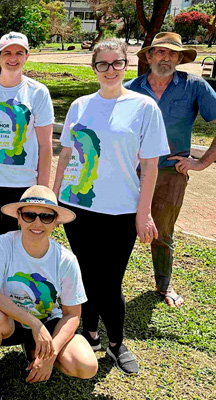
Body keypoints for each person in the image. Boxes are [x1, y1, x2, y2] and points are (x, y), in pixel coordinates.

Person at [53, 39, 169, 375]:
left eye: (116, 63)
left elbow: (150, 166)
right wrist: (53, 196)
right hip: (77, 207)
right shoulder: (80, 105)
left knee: (110, 281)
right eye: (102, 64)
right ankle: (90, 335)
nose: (110, 70)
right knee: (86, 275)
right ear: (94, 68)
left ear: (126, 64)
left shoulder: (144, 107)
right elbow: (67, 153)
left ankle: (116, 343)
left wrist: (144, 213)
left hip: (121, 211)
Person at [0, 185, 97, 400]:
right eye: (29, 215)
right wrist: (33, 323)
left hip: (48, 321)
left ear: (56, 223)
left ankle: (36, 351)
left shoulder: (66, 260)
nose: (37, 223)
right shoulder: (2, 245)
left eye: (46, 217)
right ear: (18, 218)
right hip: (10, 319)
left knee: (86, 366)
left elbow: (72, 314)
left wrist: (51, 353)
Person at [125, 32, 216, 308]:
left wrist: (200, 162)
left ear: (179, 59)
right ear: (150, 56)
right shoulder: (130, 89)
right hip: (130, 173)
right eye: (161, 52)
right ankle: (108, 283)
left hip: (170, 172)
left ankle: (163, 284)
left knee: (163, 231)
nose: (166, 58)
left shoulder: (194, 86)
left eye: (172, 53)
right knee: (120, 229)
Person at [0, 32, 54, 308]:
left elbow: (45, 146)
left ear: (26, 56)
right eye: (7, 53)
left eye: (19, 53)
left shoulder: (37, 92)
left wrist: (42, 190)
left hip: (22, 182)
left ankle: (16, 291)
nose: (13, 59)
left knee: (21, 238)